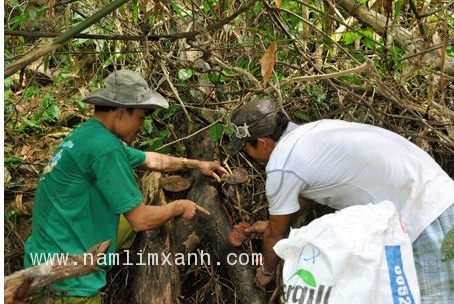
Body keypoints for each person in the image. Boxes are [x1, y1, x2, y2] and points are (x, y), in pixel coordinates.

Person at [24, 69, 228, 303]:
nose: (141, 125)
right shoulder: (105, 149)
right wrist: (178, 207)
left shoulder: (88, 136)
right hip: (69, 283)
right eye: (140, 117)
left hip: (45, 259)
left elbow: (150, 159)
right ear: (122, 112)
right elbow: (140, 220)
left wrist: (196, 164)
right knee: (139, 216)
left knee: (125, 218)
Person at [229, 99, 454, 303]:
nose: (247, 155)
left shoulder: (281, 164)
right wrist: (272, 225)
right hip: (442, 200)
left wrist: (266, 273)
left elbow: (275, 236)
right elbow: (301, 199)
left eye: (246, 148)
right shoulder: (314, 132)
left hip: (423, 220)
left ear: (263, 143)